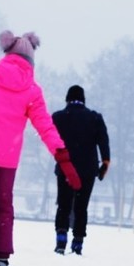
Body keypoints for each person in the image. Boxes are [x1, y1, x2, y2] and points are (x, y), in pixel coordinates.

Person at [0, 31, 81, 266]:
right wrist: (62, 155)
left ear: (7, 54)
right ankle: (1, 257)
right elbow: (45, 125)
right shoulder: (32, 91)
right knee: (2, 203)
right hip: (7, 155)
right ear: (31, 61)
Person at [50, 84, 111, 255]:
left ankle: (61, 239)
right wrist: (105, 163)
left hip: (65, 167)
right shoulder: (95, 118)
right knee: (81, 206)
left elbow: (50, 139)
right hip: (88, 169)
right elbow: (103, 141)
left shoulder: (58, 117)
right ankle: (78, 243)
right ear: (83, 100)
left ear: (67, 99)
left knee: (63, 204)